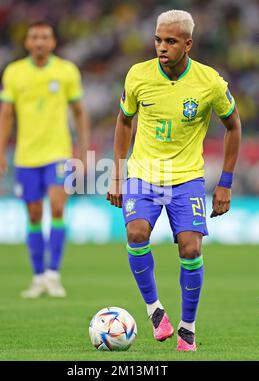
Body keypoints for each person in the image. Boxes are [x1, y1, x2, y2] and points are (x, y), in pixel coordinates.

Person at [107, 10, 241, 351]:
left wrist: (225, 182)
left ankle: (187, 327)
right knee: (136, 233)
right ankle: (154, 311)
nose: (161, 47)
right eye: (157, 40)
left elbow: (233, 126)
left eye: (170, 41)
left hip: (186, 178)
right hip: (143, 173)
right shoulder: (138, 75)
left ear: (188, 44)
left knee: (191, 247)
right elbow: (124, 122)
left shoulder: (210, 82)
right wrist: (117, 173)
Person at [0, 21, 90, 298]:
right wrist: (0, 152)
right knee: (34, 214)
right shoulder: (14, 72)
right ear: (27, 43)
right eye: (34, 37)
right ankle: (38, 276)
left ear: (53, 43)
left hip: (58, 153)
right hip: (26, 156)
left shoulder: (66, 71)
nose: (39, 42)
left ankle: (53, 274)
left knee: (58, 207)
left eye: (44, 37)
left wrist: (82, 150)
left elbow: (80, 111)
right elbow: (5, 115)